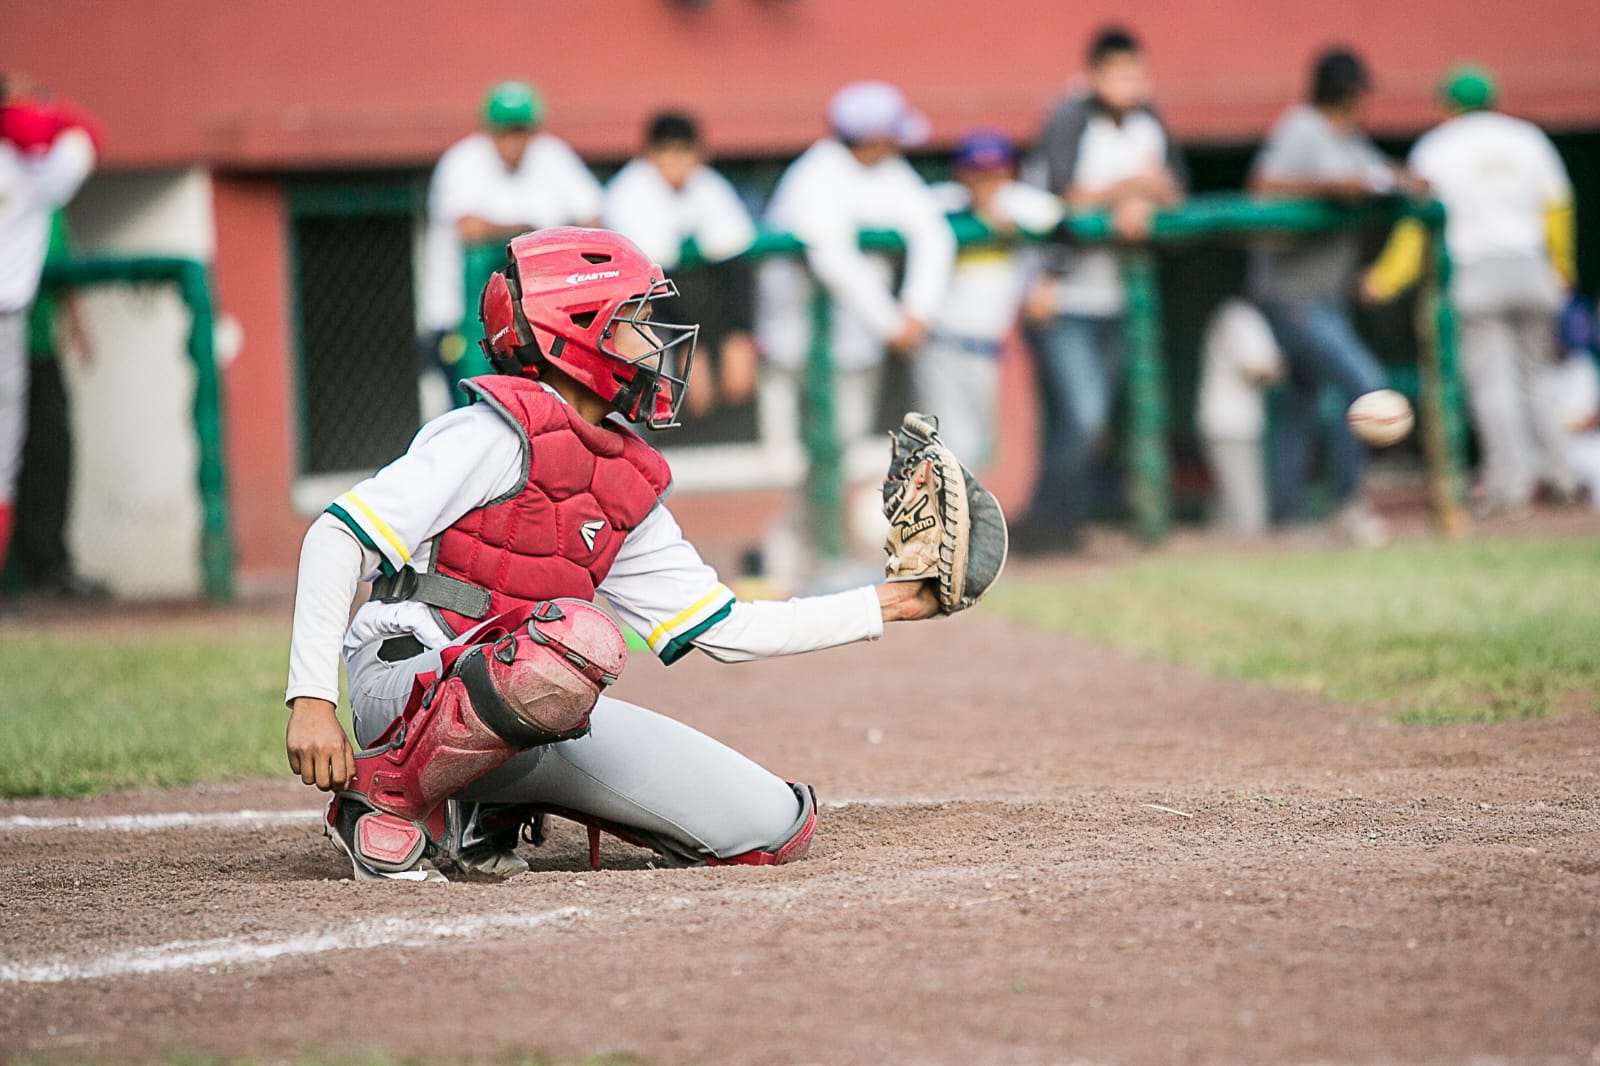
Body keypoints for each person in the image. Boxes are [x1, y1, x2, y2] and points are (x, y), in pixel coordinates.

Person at [284, 226, 945, 882]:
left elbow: (725, 626)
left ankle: (485, 804)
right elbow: (335, 537)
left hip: (528, 701)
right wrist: (313, 700)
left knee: (769, 824)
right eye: (636, 320)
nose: (655, 341)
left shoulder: (620, 476)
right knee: (580, 641)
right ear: (575, 328)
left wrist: (894, 602)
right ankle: (386, 798)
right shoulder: (485, 433)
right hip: (401, 691)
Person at [756, 80, 956, 592]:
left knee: (838, 449)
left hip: (856, 344)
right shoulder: (814, 177)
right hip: (798, 346)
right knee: (805, 453)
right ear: (867, 137)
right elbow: (832, 258)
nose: (896, 145)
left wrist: (916, 311)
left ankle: (804, 554)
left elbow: (933, 231)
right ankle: (790, 556)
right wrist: (893, 322)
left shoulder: (887, 171)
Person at [1361, 63, 1580, 516]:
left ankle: (1511, 487)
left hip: (1474, 270)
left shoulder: (1437, 147)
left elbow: (1415, 228)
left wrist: (1385, 278)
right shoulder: (1527, 138)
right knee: (1538, 377)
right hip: (1531, 266)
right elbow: (1558, 206)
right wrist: (1561, 266)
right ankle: (1563, 477)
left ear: (1448, 105)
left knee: (1492, 384)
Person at [1018, 26, 1187, 552]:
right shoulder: (1067, 119)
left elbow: (1176, 192)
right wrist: (1131, 190)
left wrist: (1142, 199)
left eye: (1137, 73)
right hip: (1062, 295)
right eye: (1118, 73)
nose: (1130, 84)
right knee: (1083, 417)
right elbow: (1061, 200)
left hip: (1119, 299)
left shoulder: (1148, 120)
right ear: (1093, 74)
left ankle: (1056, 528)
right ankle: (1045, 524)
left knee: (1091, 423)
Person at [1247, 47, 1414, 547]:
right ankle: (1346, 506)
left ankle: (1284, 518)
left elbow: (1372, 174)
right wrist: (1333, 186)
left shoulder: (1351, 139)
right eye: (1360, 91)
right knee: (1365, 385)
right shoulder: (1300, 127)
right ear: (1345, 91)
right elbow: (1262, 185)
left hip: (1327, 293)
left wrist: (1400, 179)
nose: (1365, 101)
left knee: (1300, 402)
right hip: (1291, 292)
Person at [418, 81, 603, 406]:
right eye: (505, 131)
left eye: (521, 130)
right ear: (489, 131)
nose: (514, 141)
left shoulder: (552, 156)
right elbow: (469, 230)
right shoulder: (461, 161)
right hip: (460, 319)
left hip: (531, 320)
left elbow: (594, 218)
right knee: (469, 412)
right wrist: (534, 231)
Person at [0, 74, 98, 582]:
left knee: (38, 450)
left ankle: (43, 565)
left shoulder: (31, 168)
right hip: (9, 326)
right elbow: (84, 136)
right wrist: (42, 109)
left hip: (27, 335)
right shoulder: (30, 167)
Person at [918, 129, 1063, 467]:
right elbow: (905, 215)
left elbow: (1065, 228)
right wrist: (973, 216)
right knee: (951, 449)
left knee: (978, 451)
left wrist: (1046, 279)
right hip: (938, 342)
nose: (986, 182)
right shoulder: (942, 201)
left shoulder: (1022, 203)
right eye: (976, 174)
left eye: (995, 173)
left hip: (990, 348)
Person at [603, 110, 758, 420]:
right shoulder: (628, 193)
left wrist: (738, 332)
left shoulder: (709, 186)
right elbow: (651, 282)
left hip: (697, 324)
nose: (677, 162)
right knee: (639, 408)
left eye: (684, 152)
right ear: (650, 154)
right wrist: (688, 344)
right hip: (634, 328)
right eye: (668, 152)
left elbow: (734, 262)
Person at [11, 208, 108, 599]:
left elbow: (64, 267)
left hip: (40, 352)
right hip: (6, 351)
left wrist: (77, 325)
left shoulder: (47, 206)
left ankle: (49, 566)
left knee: (53, 451)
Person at [1195, 297, 1284, 535]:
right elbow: (1258, 370)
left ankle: (1206, 561)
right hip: (1230, 426)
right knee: (1248, 516)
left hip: (1230, 424)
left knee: (1228, 507)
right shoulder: (1241, 316)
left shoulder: (1234, 314)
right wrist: (1279, 368)